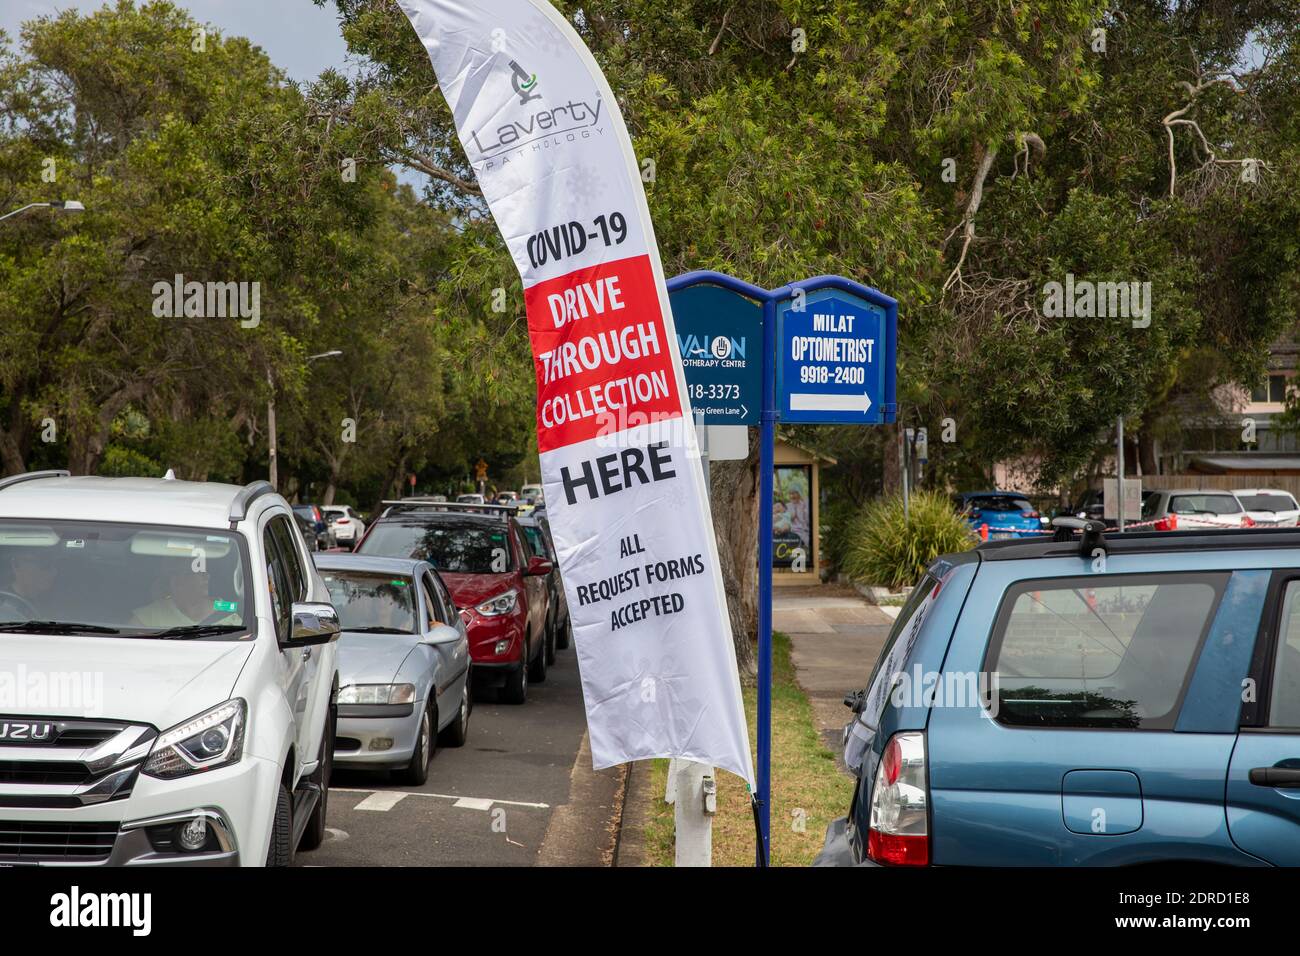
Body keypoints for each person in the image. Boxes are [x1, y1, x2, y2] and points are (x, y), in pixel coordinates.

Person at [131, 566, 239, 629]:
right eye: (197, 570)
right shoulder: (147, 617)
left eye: (206, 571)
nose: (206, 576)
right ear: (177, 581)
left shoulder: (226, 608)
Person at [0, 549, 58, 619]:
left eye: (54, 565)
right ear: (15, 565)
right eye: (44, 564)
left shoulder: (49, 601)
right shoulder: (4, 605)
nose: (54, 572)